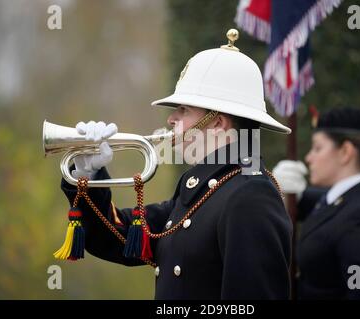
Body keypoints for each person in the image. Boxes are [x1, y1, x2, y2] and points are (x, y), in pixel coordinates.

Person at [59, 30, 293, 299]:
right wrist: (88, 173)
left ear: (217, 123)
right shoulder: (203, 189)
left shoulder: (250, 195)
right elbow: (118, 238)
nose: (171, 119)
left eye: (184, 110)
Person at [273, 107, 360, 299]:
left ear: (345, 152)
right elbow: (325, 208)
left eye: (317, 148)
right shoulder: (345, 199)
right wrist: (285, 192)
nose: (309, 158)